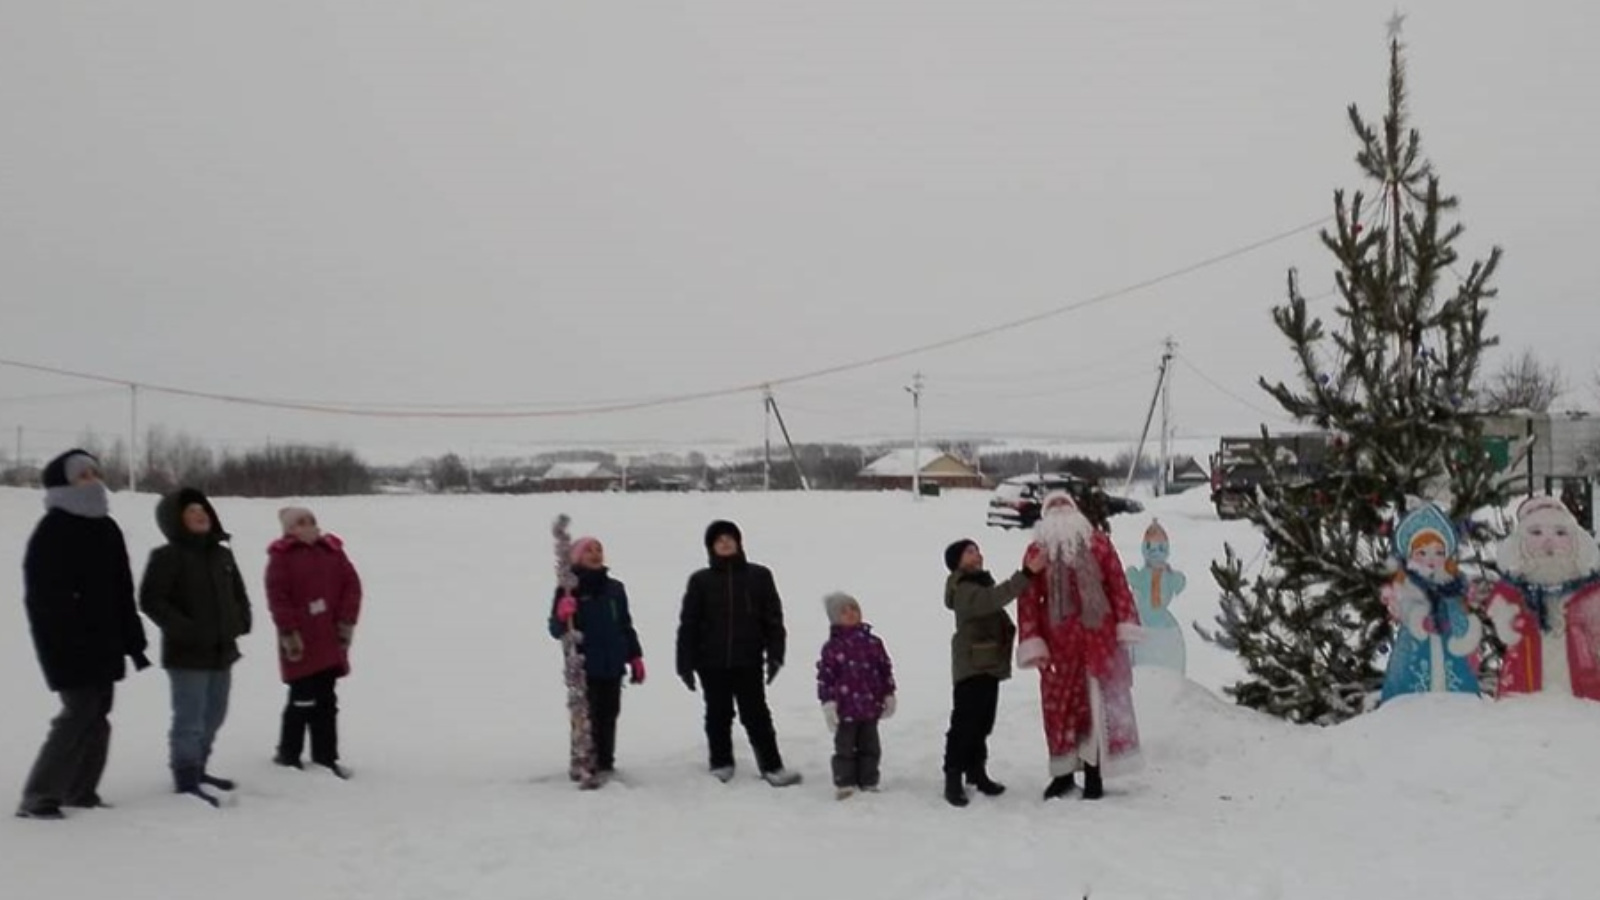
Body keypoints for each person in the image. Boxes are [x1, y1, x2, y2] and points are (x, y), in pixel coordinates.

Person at [16, 450, 150, 820]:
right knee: (78, 711)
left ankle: (81, 791)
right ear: (64, 484)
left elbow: (122, 590)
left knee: (98, 713)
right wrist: (66, 637)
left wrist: (133, 641)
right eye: (82, 475)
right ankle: (39, 795)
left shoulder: (107, 527)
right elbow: (42, 598)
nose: (93, 479)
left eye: (95, 472)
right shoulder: (53, 529)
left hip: (105, 641)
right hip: (68, 644)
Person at [1016, 491, 1143, 801]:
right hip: (1058, 647)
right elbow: (1028, 599)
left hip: (1099, 641)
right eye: (1053, 506)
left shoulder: (1099, 544)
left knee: (1098, 708)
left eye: (1065, 504)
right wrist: (1033, 641)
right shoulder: (1037, 551)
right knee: (1060, 711)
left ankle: (1094, 773)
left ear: (1076, 511)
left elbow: (1117, 585)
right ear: (1045, 516)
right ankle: (1062, 775)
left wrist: (1126, 622)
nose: (1060, 510)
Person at [139, 487, 252, 806]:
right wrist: (187, 630)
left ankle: (199, 766)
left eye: (202, 509)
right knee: (190, 718)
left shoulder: (222, 553)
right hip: (187, 654)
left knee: (215, 714)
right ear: (176, 520)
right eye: (190, 511)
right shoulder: (167, 556)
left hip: (223, 650)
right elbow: (151, 600)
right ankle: (186, 777)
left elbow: (239, 593)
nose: (200, 513)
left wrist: (242, 620)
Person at [676, 520, 801, 787]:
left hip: (749, 659)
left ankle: (772, 766)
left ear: (738, 542)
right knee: (718, 713)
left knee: (756, 714)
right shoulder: (700, 581)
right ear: (711, 547)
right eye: (718, 540)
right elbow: (689, 623)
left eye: (729, 538)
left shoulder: (759, 576)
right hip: (711, 661)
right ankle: (721, 762)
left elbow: (773, 620)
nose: (724, 542)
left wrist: (776, 653)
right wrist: (684, 662)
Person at [941, 536, 1045, 808]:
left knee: (982, 722)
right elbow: (993, 600)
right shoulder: (963, 588)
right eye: (969, 552)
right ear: (957, 563)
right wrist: (1026, 574)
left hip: (987, 664)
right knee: (964, 724)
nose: (977, 555)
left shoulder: (978, 583)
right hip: (971, 667)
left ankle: (976, 772)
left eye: (977, 550)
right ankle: (953, 776)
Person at [267, 506, 362, 778]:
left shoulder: (332, 551)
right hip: (300, 641)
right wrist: (289, 631)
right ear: (288, 529)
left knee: (326, 702)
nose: (306, 526)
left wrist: (346, 620)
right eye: (299, 522)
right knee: (302, 699)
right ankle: (289, 754)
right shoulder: (281, 557)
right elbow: (278, 598)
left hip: (329, 639)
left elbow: (351, 585)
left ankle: (326, 757)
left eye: (310, 521)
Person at [550, 535, 644, 782]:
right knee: (585, 716)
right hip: (584, 666)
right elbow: (556, 630)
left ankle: (605, 762)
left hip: (612, 664)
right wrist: (562, 614)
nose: (595, 554)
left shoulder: (615, 589)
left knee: (609, 713)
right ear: (577, 557)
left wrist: (634, 656)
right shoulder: (568, 590)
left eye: (599, 549)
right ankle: (583, 761)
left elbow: (624, 625)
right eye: (588, 550)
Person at [1487, 496, 1600, 700]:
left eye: (1560, 533)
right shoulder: (1513, 592)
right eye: (1536, 533)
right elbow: (1505, 629)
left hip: (1582, 690)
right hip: (1526, 684)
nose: (1549, 541)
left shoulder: (1590, 592)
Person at [1378, 503, 1481, 702]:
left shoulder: (1452, 585)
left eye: (1438, 552)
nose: (1431, 560)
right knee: (1411, 682)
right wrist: (1417, 617)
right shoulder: (1408, 585)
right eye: (1422, 553)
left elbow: (1461, 615)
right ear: (1411, 556)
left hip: (1451, 647)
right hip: (1416, 646)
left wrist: (1464, 629)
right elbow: (1403, 612)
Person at [815, 592, 896, 800]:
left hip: (870, 706)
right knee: (845, 748)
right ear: (835, 618)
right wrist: (829, 703)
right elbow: (826, 678)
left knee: (871, 747)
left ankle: (869, 780)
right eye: (844, 611)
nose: (851, 614)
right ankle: (845, 782)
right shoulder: (832, 648)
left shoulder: (873, 643)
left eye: (854, 609)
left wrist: (888, 694)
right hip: (845, 709)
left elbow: (884, 669)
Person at [1123, 519, 1189, 672]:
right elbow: (1134, 579)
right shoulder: (1143, 574)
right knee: (1142, 654)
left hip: (1164, 624)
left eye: (1160, 548)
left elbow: (1178, 583)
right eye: (1149, 547)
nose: (1155, 552)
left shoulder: (1169, 574)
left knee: (1167, 652)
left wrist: (1177, 579)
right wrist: (1133, 576)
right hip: (1144, 621)